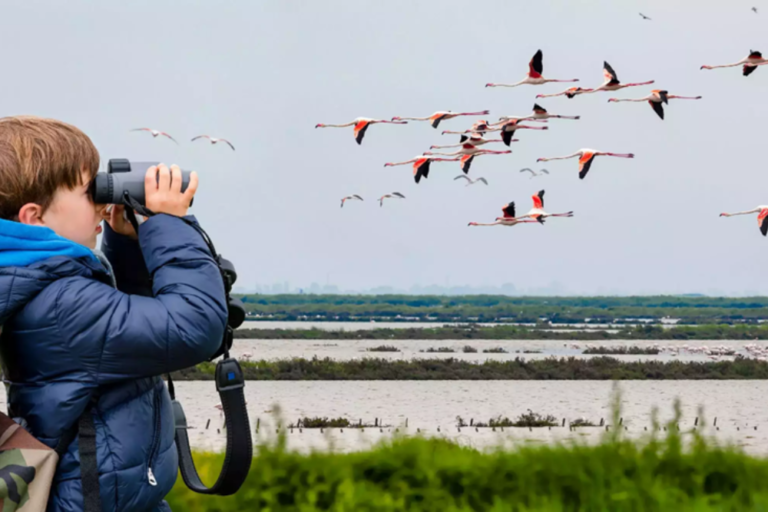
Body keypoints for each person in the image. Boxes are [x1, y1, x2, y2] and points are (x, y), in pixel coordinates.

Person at [0, 116, 228, 511]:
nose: (103, 201)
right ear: (34, 217)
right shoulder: (61, 303)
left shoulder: (43, 286)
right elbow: (193, 325)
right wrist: (170, 226)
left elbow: (129, 323)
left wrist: (129, 246)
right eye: (89, 191)